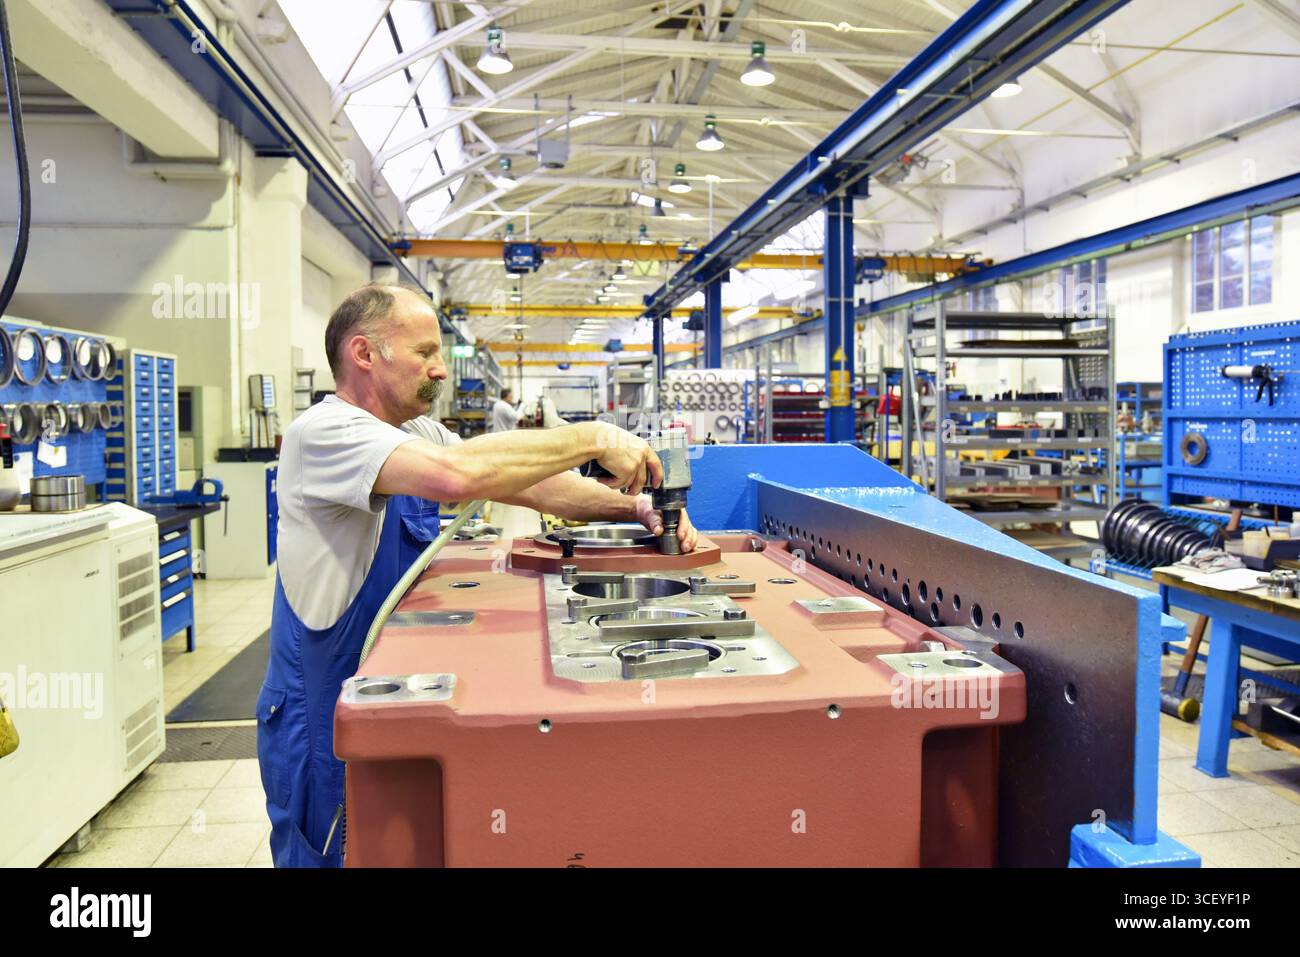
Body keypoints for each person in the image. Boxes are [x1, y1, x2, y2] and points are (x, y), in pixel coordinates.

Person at [257, 283, 697, 867]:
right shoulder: (325, 433)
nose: (441, 370)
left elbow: (529, 484)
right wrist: (591, 437)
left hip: (382, 688)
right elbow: (455, 477)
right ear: (364, 354)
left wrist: (633, 508)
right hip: (322, 710)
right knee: (328, 854)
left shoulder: (414, 434)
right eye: (424, 354)